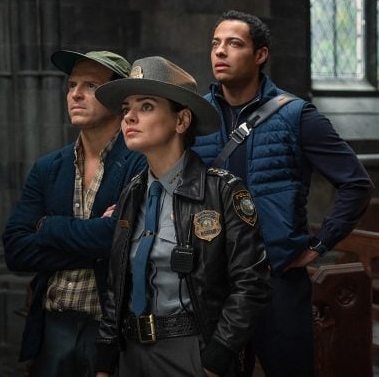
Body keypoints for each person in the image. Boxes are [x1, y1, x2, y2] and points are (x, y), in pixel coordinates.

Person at [192, 10, 374, 376]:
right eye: (215, 44)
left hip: (275, 279)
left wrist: (319, 245)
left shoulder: (296, 116)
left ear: (260, 55)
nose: (220, 52)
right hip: (212, 279)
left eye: (234, 43)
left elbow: (356, 184)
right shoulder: (195, 117)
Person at [92, 56, 271, 377]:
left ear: (181, 120)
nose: (129, 116)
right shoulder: (132, 193)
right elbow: (116, 282)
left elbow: (251, 284)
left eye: (146, 106)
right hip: (130, 352)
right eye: (126, 108)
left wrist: (216, 358)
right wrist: (105, 357)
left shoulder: (222, 191)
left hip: (191, 350)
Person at [2, 50, 145, 376]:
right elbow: (15, 250)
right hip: (53, 326)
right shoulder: (48, 167)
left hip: (112, 328)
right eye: (71, 85)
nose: (75, 94)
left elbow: (121, 241)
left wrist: (47, 227)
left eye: (90, 86)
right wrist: (96, 239)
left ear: (118, 97)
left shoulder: (138, 161)